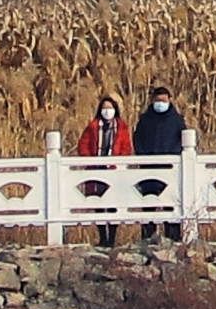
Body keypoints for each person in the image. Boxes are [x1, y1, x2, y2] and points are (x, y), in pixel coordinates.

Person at [129, 85, 186, 241]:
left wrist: (173, 156)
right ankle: (148, 236)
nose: (160, 103)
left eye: (163, 100)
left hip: (170, 168)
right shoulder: (145, 119)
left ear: (169, 100)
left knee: (171, 202)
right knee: (149, 202)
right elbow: (137, 138)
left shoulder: (176, 120)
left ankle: (173, 236)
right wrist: (143, 155)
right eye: (157, 100)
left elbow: (182, 140)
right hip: (148, 168)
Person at [73, 93, 127, 248]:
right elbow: (83, 145)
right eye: (104, 108)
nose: (107, 111)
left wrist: (119, 162)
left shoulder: (122, 127)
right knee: (98, 203)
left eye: (110, 108)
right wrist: (90, 160)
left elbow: (126, 147)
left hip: (114, 171)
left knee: (113, 204)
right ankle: (102, 236)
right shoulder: (93, 127)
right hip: (96, 170)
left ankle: (112, 238)